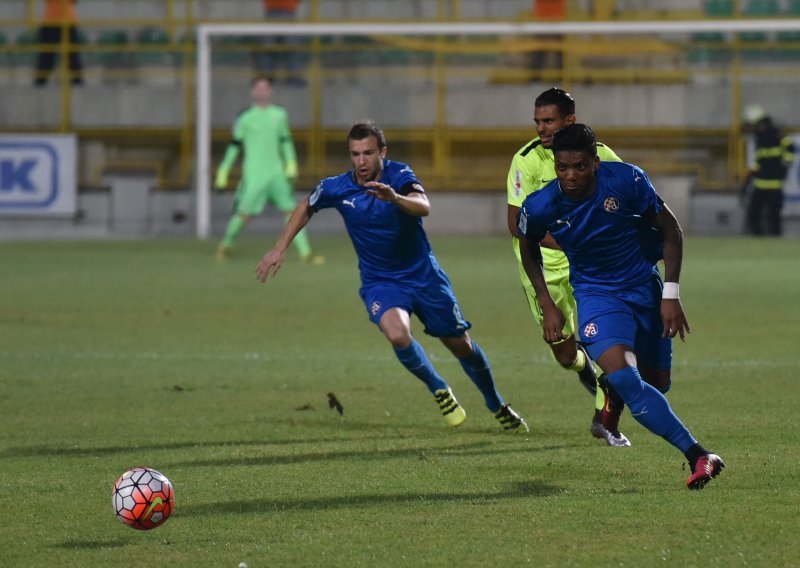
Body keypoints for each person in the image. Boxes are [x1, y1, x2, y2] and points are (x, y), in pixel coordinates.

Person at [256, 120, 528, 432]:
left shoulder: (399, 175)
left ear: (382, 152)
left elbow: (423, 206)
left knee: (460, 344)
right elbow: (307, 205)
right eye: (355, 154)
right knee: (398, 333)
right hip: (381, 282)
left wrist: (395, 198)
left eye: (368, 153)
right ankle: (439, 388)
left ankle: (495, 403)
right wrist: (279, 247)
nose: (361, 161)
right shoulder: (338, 187)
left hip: (424, 276)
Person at [517, 123, 725, 489]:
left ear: (595, 162)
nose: (570, 175)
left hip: (644, 288)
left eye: (579, 166)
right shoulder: (542, 204)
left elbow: (670, 230)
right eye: (562, 167)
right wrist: (547, 302)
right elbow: (527, 244)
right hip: (597, 297)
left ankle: (612, 389)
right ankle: (698, 455)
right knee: (629, 379)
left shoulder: (627, 181)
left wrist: (671, 294)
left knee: (657, 384)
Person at [506, 87, 629, 447]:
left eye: (549, 121)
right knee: (564, 353)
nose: (541, 128)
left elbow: (624, 199)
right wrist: (547, 299)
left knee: (604, 337)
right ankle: (584, 370)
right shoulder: (525, 160)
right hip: (544, 268)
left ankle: (603, 416)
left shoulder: (601, 156)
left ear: (568, 121)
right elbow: (516, 225)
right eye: (538, 121)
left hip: (593, 267)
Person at [215, 76, 322, 263]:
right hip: (254, 175)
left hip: (276, 173)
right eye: (258, 88)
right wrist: (223, 170)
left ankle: (306, 253)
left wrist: (291, 163)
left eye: (265, 88)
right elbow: (234, 145)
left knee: (292, 212)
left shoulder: (279, 115)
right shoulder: (245, 117)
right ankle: (226, 245)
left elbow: (286, 141)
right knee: (244, 214)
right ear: (252, 92)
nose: (262, 91)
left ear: (270, 91)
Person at [742, 105, 796, 237]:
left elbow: (789, 147)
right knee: (756, 213)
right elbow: (760, 159)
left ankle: (773, 236)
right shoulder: (760, 136)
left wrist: (785, 165)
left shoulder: (775, 134)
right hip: (761, 183)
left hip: (773, 183)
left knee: (772, 214)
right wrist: (752, 175)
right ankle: (760, 236)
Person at [34, 0, 83, 86]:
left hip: (54, 20)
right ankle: (77, 79)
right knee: (70, 53)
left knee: (49, 53)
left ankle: (41, 80)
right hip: (63, 20)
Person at [258, 0, 305, 86]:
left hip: (272, 10)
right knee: (292, 47)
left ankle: (267, 77)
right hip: (288, 10)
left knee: (268, 46)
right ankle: (293, 77)